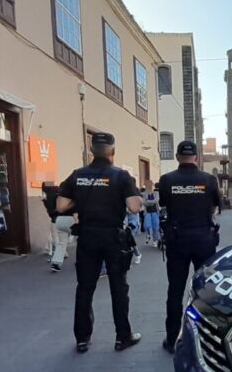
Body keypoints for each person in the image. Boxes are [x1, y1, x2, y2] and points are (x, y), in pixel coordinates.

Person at [56, 133, 143, 354]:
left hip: (87, 236)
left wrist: (83, 199)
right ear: (113, 152)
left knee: (85, 288)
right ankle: (122, 337)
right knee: (118, 287)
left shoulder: (77, 175)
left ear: (92, 151)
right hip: (113, 237)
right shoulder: (121, 176)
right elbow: (133, 207)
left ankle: (82, 339)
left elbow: (61, 205)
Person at [158, 140, 222, 354]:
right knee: (205, 290)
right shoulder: (209, 180)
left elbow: (165, 205)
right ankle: (206, 339)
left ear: (177, 157)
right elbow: (216, 207)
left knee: (175, 290)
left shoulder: (167, 180)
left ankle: (171, 338)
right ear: (197, 157)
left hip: (177, 240)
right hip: (204, 238)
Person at [41, 181, 75, 272]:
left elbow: (51, 210)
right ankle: (82, 261)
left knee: (61, 242)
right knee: (83, 240)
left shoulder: (52, 195)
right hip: (72, 219)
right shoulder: (73, 194)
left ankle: (56, 263)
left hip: (59, 220)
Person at [142, 180, 160, 246]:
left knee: (156, 227)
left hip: (155, 212)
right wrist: (151, 202)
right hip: (147, 212)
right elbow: (143, 202)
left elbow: (156, 200)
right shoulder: (144, 194)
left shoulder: (156, 193)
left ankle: (155, 240)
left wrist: (148, 202)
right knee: (147, 225)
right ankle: (148, 235)